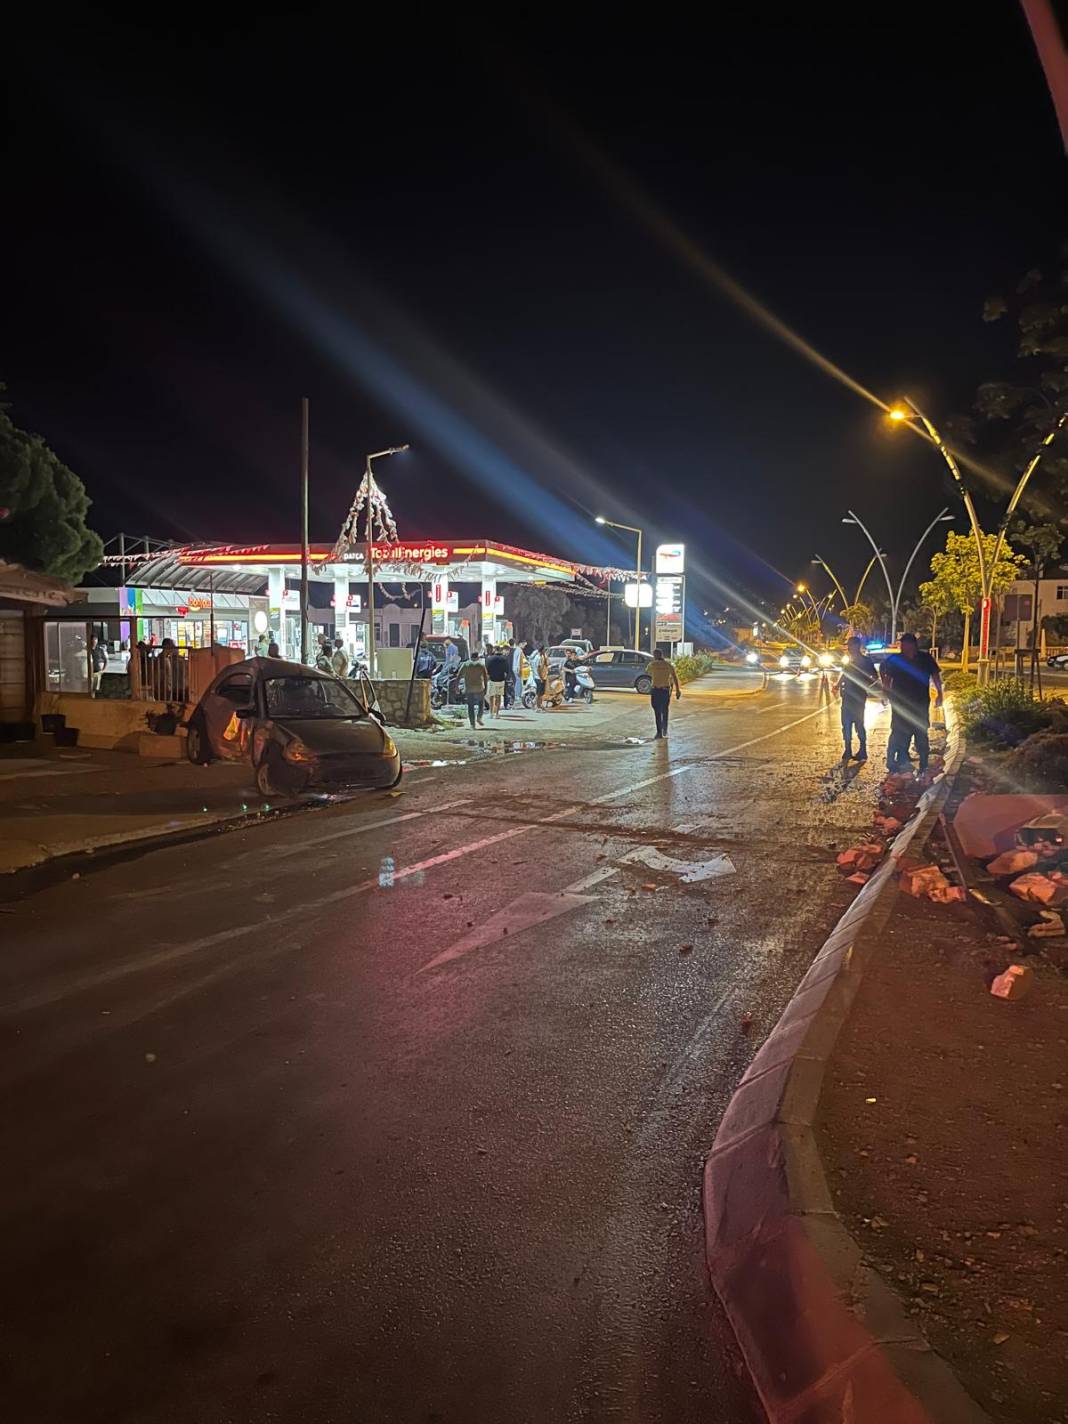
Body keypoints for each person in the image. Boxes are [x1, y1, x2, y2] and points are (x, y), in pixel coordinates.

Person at [881, 633, 943, 777]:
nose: (903, 647)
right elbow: (886, 678)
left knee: (921, 733)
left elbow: (935, 675)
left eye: (905, 644)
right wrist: (885, 694)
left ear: (913, 645)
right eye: (901, 644)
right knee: (898, 732)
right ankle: (894, 762)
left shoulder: (925, 658)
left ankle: (923, 765)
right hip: (900, 704)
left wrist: (940, 693)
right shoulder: (895, 660)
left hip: (920, 703)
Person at [835, 636, 878, 762]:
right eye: (848, 645)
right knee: (846, 724)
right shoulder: (849, 661)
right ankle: (848, 749)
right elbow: (845, 674)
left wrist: (865, 685)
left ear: (857, 646)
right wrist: (837, 685)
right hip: (847, 696)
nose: (848, 647)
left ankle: (863, 749)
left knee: (859, 724)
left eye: (851, 645)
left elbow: (874, 676)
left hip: (858, 697)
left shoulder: (866, 661)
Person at [646, 648, 681, 738]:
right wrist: (677, 690)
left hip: (656, 690)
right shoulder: (668, 665)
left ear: (655, 656)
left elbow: (648, 673)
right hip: (665, 691)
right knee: (665, 710)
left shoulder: (652, 664)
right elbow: (674, 677)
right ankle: (664, 729)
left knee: (657, 712)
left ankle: (659, 732)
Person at [457, 650, 488, 729]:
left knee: (470, 706)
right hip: (479, 688)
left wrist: (456, 686)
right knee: (481, 704)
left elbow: (459, 675)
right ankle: (479, 717)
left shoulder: (465, 664)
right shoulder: (481, 665)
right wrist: (486, 688)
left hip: (469, 688)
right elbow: (485, 677)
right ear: (477, 657)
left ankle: (472, 724)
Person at [485, 645, 510, 718]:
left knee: (491, 696)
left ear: (494, 650)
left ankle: (491, 713)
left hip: (492, 680)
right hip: (501, 680)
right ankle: (497, 714)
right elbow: (507, 671)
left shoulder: (489, 659)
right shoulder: (504, 659)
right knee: (498, 697)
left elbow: (486, 670)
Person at [531, 644, 549, 710]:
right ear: (542, 650)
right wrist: (541, 678)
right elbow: (538, 669)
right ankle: (537, 706)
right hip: (539, 677)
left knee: (540, 693)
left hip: (539, 676)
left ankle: (539, 705)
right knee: (539, 694)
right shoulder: (538, 658)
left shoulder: (541, 656)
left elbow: (546, 664)